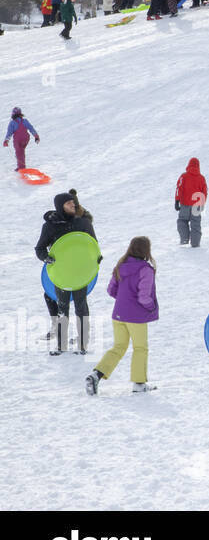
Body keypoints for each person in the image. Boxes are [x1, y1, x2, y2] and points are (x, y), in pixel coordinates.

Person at [85, 237, 158, 396]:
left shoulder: (121, 266)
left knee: (118, 347)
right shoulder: (145, 269)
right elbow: (143, 297)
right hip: (136, 317)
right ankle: (139, 383)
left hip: (118, 315)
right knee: (140, 348)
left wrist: (124, 299)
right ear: (146, 250)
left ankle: (96, 375)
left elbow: (111, 290)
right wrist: (151, 307)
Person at [35, 189, 98, 355]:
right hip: (61, 274)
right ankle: (61, 346)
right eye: (69, 203)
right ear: (60, 206)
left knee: (81, 307)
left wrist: (96, 260)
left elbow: (93, 245)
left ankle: (83, 345)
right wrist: (46, 258)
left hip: (80, 273)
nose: (73, 205)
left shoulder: (83, 223)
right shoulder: (50, 226)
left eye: (73, 202)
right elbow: (40, 248)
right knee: (62, 309)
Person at [175, 157, 208, 248]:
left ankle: (185, 239)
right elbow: (204, 192)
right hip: (196, 205)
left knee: (182, 221)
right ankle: (195, 243)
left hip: (185, 204)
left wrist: (177, 200)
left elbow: (179, 188)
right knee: (196, 223)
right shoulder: (201, 178)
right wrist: (202, 203)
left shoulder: (184, 176)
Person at [4, 107, 39, 171]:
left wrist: (6, 140)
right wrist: (36, 136)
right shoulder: (25, 121)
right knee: (21, 151)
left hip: (18, 140)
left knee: (19, 152)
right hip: (26, 139)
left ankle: (21, 168)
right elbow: (31, 128)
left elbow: (9, 133)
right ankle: (22, 165)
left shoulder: (12, 123)